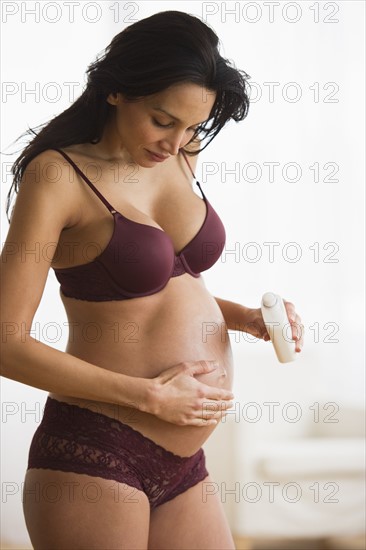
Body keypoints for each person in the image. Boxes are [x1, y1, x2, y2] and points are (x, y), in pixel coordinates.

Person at [1, 10, 304, 550]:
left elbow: (166, 286)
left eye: (193, 127)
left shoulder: (181, 155)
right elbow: (6, 344)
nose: (176, 141)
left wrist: (247, 319)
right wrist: (148, 398)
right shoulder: (58, 175)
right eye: (163, 120)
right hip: (97, 454)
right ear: (116, 90)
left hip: (186, 466)